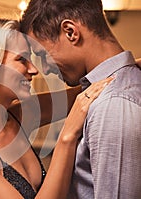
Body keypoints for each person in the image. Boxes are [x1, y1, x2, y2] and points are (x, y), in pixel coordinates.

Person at [0, 17, 113, 199]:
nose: (34, 70)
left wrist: (127, 66)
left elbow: (80, 93)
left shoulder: (14, 116)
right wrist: (67, 137)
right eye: (22, 60)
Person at [20, 0, 141, 198]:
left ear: (70, 32)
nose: (44, 68)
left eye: (42, 54)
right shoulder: (108, 90)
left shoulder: (114, 104)